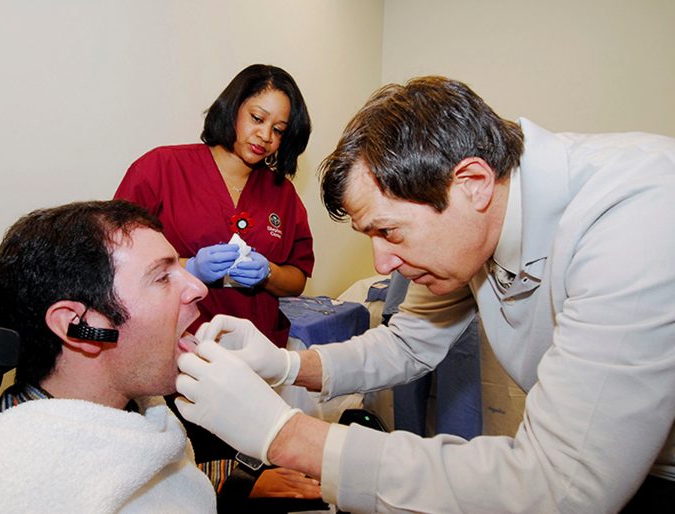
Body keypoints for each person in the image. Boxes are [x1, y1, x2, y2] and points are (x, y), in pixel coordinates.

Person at [175, 76, 675, 513]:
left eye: (389, 232)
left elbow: (560, 491)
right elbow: (406, 343)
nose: (382, 265)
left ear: (472, 183)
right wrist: (286, 366)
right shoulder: (474, 232)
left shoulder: (638, 218)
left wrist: (286, 435)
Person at [0, 200, 217, 513]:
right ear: (78, 326)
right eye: (162, 277)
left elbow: (147, 478)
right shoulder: (5, 493)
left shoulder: (135, 406)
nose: (198, 287)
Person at [114, 64, 320, 504]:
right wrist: (187, 267)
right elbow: (116, 262)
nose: (265, 136)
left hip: (252, 359)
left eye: (279, 129)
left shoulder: (281, 192)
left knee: (257, 472)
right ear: (233, 109)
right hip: (176, 356)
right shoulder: (162, 167)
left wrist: (267, 274)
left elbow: (298, 278)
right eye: (257, 118)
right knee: (192, 479)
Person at [384, 272, 482, 440]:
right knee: (413, 402)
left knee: (456, 401)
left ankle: (453, 461)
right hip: (409, 295)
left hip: (437, 292)